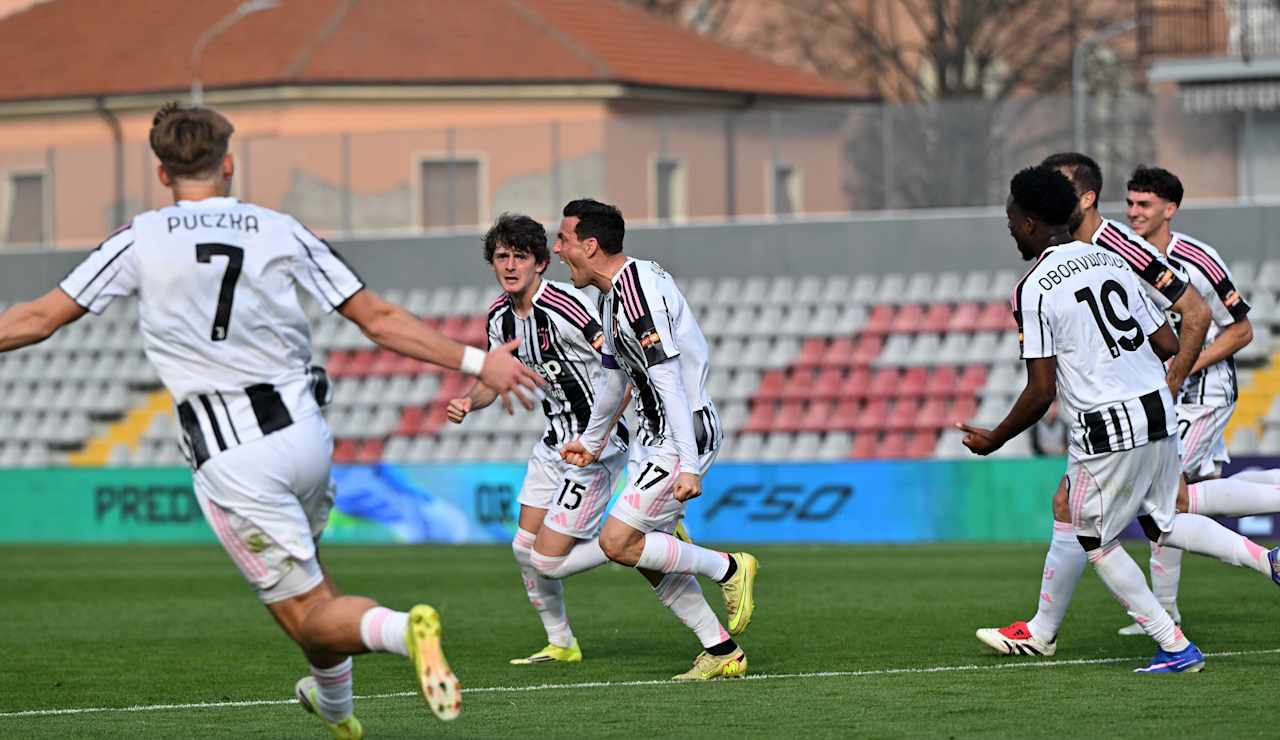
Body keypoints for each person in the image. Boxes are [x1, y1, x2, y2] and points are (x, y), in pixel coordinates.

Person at [0, 103, 543, 736]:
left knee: (307, 612)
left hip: (233, 452)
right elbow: (378, 319)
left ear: (162, 173)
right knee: (313, 586)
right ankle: (336, 707)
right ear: (228, 163)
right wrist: (479, 359)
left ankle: (402, 629)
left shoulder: (139, 237)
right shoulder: (278, 229)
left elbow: (38, 318)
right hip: (306, 434)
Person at [960, 165, 1278, 672]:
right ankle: (1269, 561)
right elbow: (1169, 343)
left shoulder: (1033, 288)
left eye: (1011, 219)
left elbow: (1041, 390)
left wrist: (995, 437)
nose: (1010, 227)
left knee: (1094, 540)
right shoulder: (1112, 262)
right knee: (1164, 519)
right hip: (1158, 410)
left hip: (1107, 425)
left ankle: (1173, 645)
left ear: (1030, 223)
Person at [555, 199, 758, 680]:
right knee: (645, 555)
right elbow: (614, 378)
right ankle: (721, 649)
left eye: (563, 240)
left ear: (590, 244)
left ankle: (729, 567)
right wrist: (593, 438)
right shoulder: (609, 296)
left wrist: (688, 464)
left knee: (617, 542)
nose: (557, 249)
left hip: (680, 430)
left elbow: (668, 379)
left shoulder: (636, 292)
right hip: (654, 435)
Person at [447, 213, 633, 665]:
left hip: (596, 444)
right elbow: (495, 378)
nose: (510, 265)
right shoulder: (498, 317)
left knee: (547, 560)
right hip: (555, 442)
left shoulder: (568, 308)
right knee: (523, 549)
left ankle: (641, 537)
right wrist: (471, 401)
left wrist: (598, 438)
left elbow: (622, 364)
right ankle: (561, 642)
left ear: (541, 264)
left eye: (520, 257)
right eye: (501, 257)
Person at [1117, 165, 1280, 634]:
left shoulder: (1199, 258)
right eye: (1129, 203)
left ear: (1170, 209)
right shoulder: (1120, 256)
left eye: (1144, 205)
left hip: (1203, 394)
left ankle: (1166, 611)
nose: (1134, 213)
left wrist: (1189, 362)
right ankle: (1166, 610)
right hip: (1163, 394)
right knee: (1184, 497)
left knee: (1164, 496)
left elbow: (1242, 329)